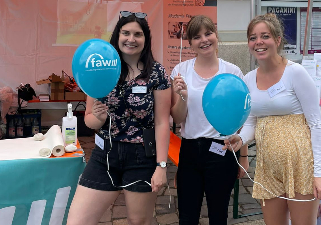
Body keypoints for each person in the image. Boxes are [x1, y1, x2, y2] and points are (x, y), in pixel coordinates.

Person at [224, 13, 321, 225]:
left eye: (264, 36)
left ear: (277, 39)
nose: (258, 42)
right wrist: (241, 139)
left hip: (300, 165)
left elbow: (315, 125)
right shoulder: (248, 79)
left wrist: (319, 173)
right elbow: (251, 121)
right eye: (253, 37)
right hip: (268, 167)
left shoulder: (296, 73)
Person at [67, 11, 171, 225]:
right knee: (77, 221)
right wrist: (98, 117)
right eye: (126, 33)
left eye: (137, 34)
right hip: (105, 153)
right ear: (117, 35)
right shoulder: (99, 67)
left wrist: (161, 166)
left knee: (137, 221)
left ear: (145, 39)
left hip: (142, 156)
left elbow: (162, 122)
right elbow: (89, 120)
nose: (131, 39)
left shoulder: (156, 73)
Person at [170, 15, 249, 225]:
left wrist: (243, 156)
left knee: (218, 215)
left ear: (216, 35)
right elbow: (177, 118)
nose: (204, 40)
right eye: (197, 37)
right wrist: (183, 97)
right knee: (187, 215)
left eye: (208, 33)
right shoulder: (180, 72)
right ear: (190, 44)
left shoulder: (232, 72)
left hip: (221, 150)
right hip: (190, 150)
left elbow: (241, 119)